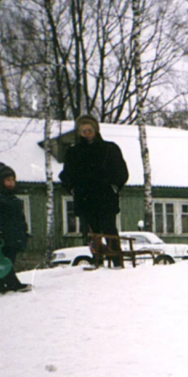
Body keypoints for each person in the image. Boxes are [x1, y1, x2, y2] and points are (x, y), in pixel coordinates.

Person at [58, 114, 129, 267]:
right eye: (84, 131)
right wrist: (72, 189)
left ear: (96, 130)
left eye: (90, 130)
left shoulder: (109, 149)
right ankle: (97, 262)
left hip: (105, 198)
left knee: (109, 230)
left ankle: (117, 262)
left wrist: (114, 187)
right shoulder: (73, 152)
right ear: (79, 133)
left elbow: (121, 172)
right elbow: (66, 175)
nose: (87, 134)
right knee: (92, 232)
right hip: (85, 199)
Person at [0, 162, 31, 294]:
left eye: (13, 180)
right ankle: (13, 284)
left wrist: (24, 232)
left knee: (7, 259)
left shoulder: (11, 197)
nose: (11, 183)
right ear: (1, 181)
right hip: (2, 235)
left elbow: (20, 217)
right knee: (4, 260)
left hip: (13, 234)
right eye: (8, 180)